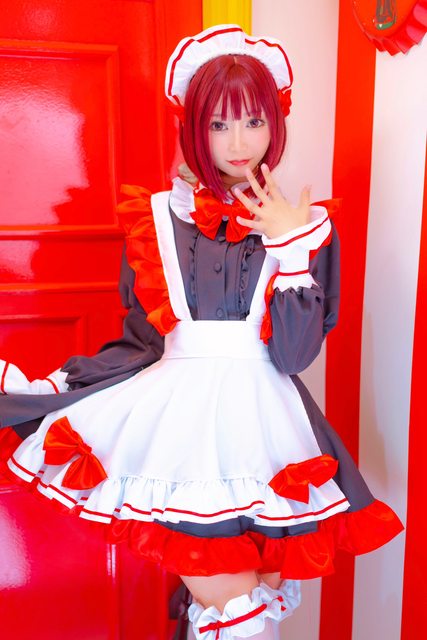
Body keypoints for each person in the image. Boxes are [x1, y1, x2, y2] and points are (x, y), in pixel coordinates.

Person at [0, 24, 403, 640]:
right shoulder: (156, 220)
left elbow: (294, 355)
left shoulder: (307, 227)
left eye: (254, 121)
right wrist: (61, 387)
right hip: (178, 426)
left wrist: (291, 249)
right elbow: (143, 344)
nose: (239, 143)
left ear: (276, 121)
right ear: (191, 126)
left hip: (265, 428)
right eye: (218, 124)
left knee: (256, 591)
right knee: (231, 600)